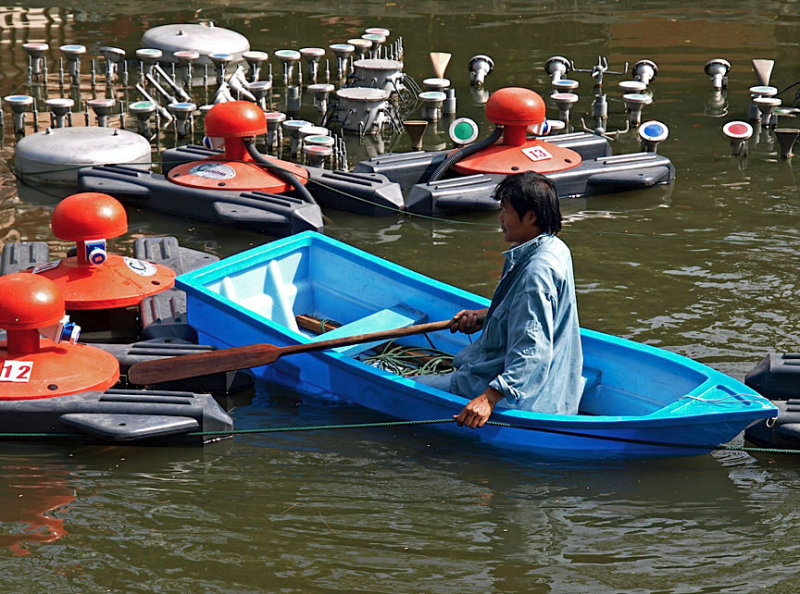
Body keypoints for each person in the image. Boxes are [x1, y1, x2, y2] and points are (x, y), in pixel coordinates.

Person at [416, 171, 583, 428]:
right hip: (557, 391)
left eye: (505, 210)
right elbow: (532, 312)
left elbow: (531, 352)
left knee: (411, 385)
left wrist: (488, 398)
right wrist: (486, 316)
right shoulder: (554, 248)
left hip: (525, 400)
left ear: (531, 216)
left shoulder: (536, 272)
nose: (500, 218)